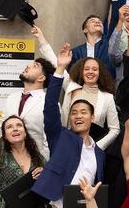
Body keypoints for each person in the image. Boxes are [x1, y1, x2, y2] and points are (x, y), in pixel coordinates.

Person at [32, 43, 105, 207]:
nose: (78, 115)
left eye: (83, 112)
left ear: (92, 117)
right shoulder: (60, 136)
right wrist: (60, 68)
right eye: (74, 112)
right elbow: (50, 106)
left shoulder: (100, 153)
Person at [31, 26, 121, 151]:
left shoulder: (107, 97)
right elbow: (57, 63)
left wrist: (97, 147)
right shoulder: (71, 87)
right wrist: (41, 38)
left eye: (94, 69)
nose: (90, 72)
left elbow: (115, 129)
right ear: (81, 72)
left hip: (91, 149)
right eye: (86, 69)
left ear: (100, 73)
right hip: (66, 145)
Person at [0, 84, 45, 208]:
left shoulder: (37, 157)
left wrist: (43, 175)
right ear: (4, 135)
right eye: (9, 127)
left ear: (25, 133)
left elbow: (49, 182)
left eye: (19, 125)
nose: (15, 129)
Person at [1, 57, 56, 160]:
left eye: (35, 66)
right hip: (9, 163)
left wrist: (44, 168)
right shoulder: (11, 98)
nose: (27, 66)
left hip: (37, 165)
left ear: (41, 78)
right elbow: (1, 131)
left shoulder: (50, 103)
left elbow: (50, 140)